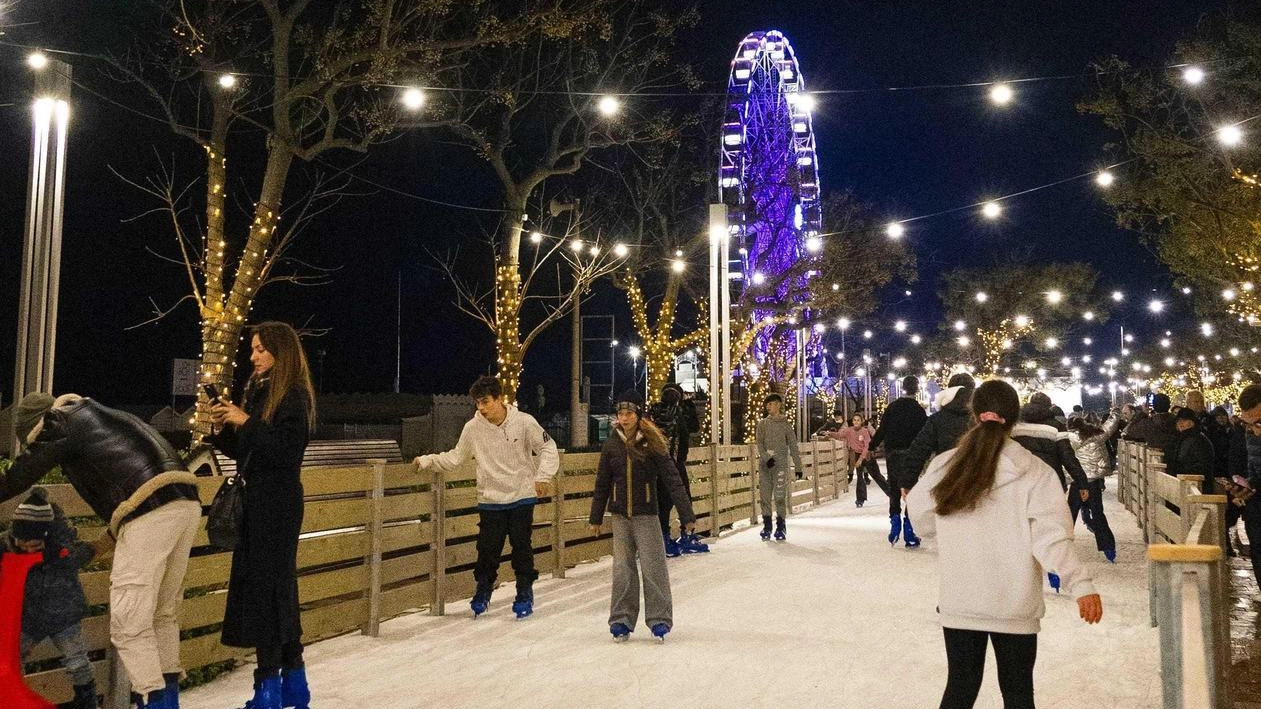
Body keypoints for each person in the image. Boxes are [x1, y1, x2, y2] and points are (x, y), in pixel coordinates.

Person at [907, 380, 1103, 709]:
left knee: (960, 688)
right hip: (1014, 603)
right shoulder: (1035, 472)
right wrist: (1080, 584)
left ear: (973, 413)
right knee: (1017, 693)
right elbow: (1051, 535)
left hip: (961, 600)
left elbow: (920, 513)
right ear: (1015, 418)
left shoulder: (946, 466)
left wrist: (949, 533)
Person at [2, 393, 201, 709]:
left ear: (35, 428)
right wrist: (105, 542)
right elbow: (123, 476)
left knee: (128, 621)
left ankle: (155, 702)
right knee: (161, 613)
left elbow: (15, 479)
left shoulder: (60, 421)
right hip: (184, 502)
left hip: (150, 510)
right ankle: (169, 701)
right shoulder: (97, 414)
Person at [208, 321, 317, 709]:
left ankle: (268, 687)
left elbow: (286, 453)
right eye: (252, 350)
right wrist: (223, 429)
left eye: (260, 350)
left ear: (280, 352)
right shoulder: (262, 393)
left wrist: (247, 422)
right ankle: (294, 683)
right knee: (277, 590)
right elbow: (250, 452)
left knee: (268, 593)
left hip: (278, 505)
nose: (253, 357)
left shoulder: (294, 396)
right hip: (259, 502)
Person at [415, 375, 559, 619]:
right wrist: (428, 461)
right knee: (487, 549)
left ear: (499, 399)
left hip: (521, 495)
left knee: (521, 546)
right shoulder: (473, 428)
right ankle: (483, 590)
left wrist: (543, 476)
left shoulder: (524, 422)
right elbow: (456, 457)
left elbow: (548, 446)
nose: (481, 409)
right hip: (491, 499)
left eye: (485, 402)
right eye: (477, 404)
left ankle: (524, 591)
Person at [589, 390, 696, 642]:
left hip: (646, 513)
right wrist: (595, 517)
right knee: (622, 569)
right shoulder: (612, 443)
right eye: (620, 413)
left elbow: (672, 478)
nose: (624, 418)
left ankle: (659, 618)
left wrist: (686, 513)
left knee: (653, 567)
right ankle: (621, 619)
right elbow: (602, 482)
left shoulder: (652, 441)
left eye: (629, 413)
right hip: (620, 515)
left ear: (638, 414)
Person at [9, 487, 105, 709]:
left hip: (63, 612)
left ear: (45, 537)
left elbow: (79, 554)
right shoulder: (7, 546)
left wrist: (97, 545)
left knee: (76, 659)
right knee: (11, 657)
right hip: (29, 614)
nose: (27, 549)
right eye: (22, 544)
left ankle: (87, 701)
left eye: (33, 545)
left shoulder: (62, 549)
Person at [899, 373, 977, 548]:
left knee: (952, 522)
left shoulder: (938, 420)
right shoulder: (981, 418)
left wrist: (908, 482)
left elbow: (918, 450)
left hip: (947, 478)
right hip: (980, 477)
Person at [648, 384, 704, 555]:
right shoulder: (678, 414)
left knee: (662, 502)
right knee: (684, 497)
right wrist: (689, 408)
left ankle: (663, 537)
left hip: (655, 464)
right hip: (674, 463)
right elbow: (691, 430)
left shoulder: (653, 413)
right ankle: (686, 534)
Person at [870, 375, 928, 522]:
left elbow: (882, 429)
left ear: (903, 388)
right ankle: (909, 523)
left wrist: (872, 446)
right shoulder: (919, 411)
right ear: (917, 389)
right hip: (911, 453)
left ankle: (894, 517)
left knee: (894, 485)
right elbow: (925, 433)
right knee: (911, 486)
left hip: (893, 451)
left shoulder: (893, 407)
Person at [1066, 416, 1121, 562]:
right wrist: (1115, 412)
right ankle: (1108, 547)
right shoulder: (1097, 435)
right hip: (1093, 481)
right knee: (1098, 513)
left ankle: (1062, 548)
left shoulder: (1068, 438)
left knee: (1069, 515)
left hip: (1077, 481)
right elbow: (1110, 426)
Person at [755, 393, 802, 541]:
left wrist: (798, 466)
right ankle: (767, 526)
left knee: (780, 496)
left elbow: (793, 446)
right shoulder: (762, 424)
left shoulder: (785, 424)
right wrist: (766, 458)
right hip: (765, 466)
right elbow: (759, 443)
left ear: (778, 405)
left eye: (771, 404)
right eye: (766, 404)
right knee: (765, 496)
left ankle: (781, 526)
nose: (768, 407)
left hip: (780, 465)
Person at [826, 414, 888, 508]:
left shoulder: (864, 431)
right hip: (857, 454)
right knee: (859, 476)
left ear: (862, 422)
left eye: (858, 420)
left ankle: (891, 493)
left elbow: (867, 446)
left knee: (876, 476)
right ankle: (860, 499)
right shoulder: (849, 430)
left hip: (867, 455)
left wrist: (860, 460)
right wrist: (830, 434)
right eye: (854, 420)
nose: (856, 422)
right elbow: (839, 435)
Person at [1234, 385, 1261, 600]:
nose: (1255, 430)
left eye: (1259, 423)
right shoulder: (1250, 433)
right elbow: (1254, 469)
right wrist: (1247, 487)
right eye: (1249, 424)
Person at [1123, 393, 1178, 457]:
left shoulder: (1148, 423)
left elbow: (1131, 430)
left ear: (1153, 406)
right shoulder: (1177, 420)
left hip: (1155, 459)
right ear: (1169, 405)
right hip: (1174, 457)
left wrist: (1143, 413)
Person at [1166, 407, 1215, 479]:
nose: (1180, 423)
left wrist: (1179, 471)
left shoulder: (1198, 439)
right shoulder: (1183, 438)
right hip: (1185, 480)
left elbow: (1202, 466)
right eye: (1178, 420)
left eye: (1184, 420)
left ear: (1192, 422)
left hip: (1196, 483)